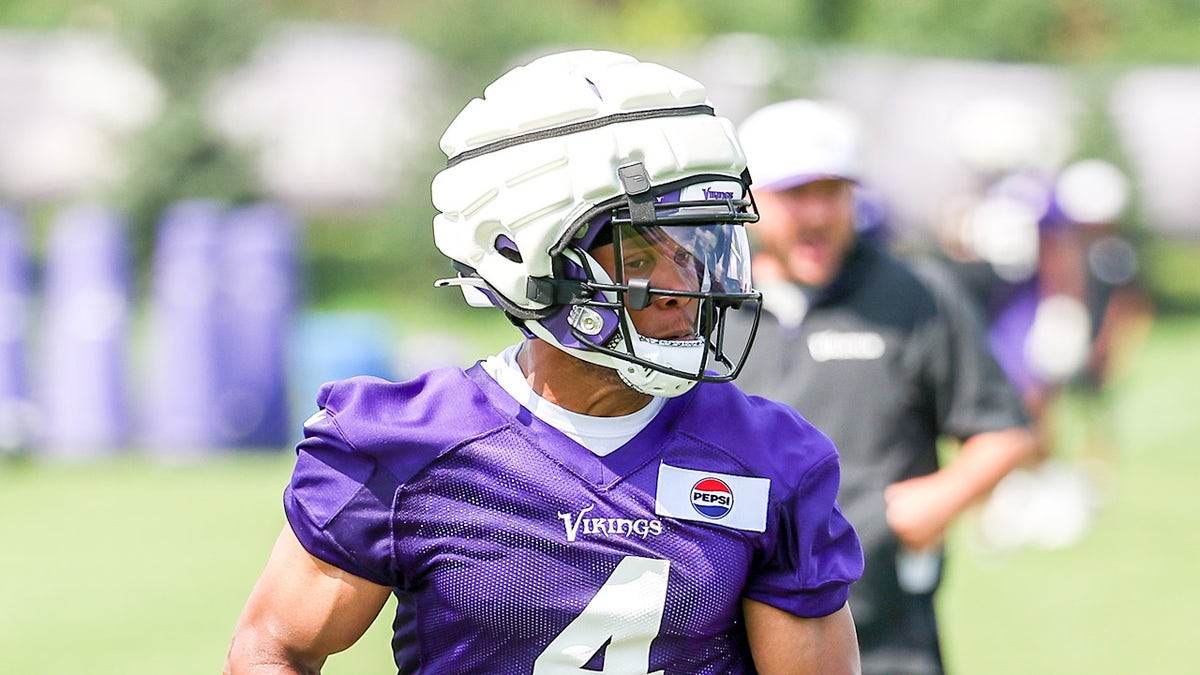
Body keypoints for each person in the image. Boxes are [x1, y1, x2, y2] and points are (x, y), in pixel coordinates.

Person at [225, 50, 864, 674]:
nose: (682, 287)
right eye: (639, 259)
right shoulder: (405, 444)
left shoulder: (773, 457)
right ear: (538, 268)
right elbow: (273, 649)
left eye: (692, 250)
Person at [730, 99, 1037, 675]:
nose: (818, 214)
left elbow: (1004, 430)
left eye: (834, 192)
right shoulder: (705, 302)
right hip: (729, 621)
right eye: (796, 194)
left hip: (885, 624)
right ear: (749, 199)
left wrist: (929, 505)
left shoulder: (915, 293)